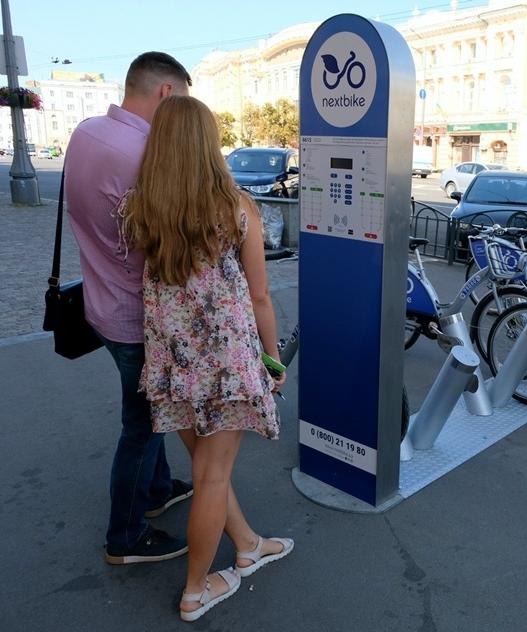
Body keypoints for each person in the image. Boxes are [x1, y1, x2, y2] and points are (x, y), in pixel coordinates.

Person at [121, 95, 293, 622]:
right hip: (226, 369)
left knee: (206, 469)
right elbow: (260, 296)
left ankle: (248, 545)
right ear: (208, 144)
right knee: (212, 477)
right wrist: (273, 360)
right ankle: (195, 591)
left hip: (172, 368)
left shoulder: (141, 207)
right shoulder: (236, 207)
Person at [65, 52, 195, 564]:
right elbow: (171, 246)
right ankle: (125, 536)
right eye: (182, 101)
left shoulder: (86, 132)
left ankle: (157, 490)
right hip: (136, 318)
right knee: (142, 425)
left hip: (99, 303)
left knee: (151, 411)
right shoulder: (147, 156)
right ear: (166, 93)